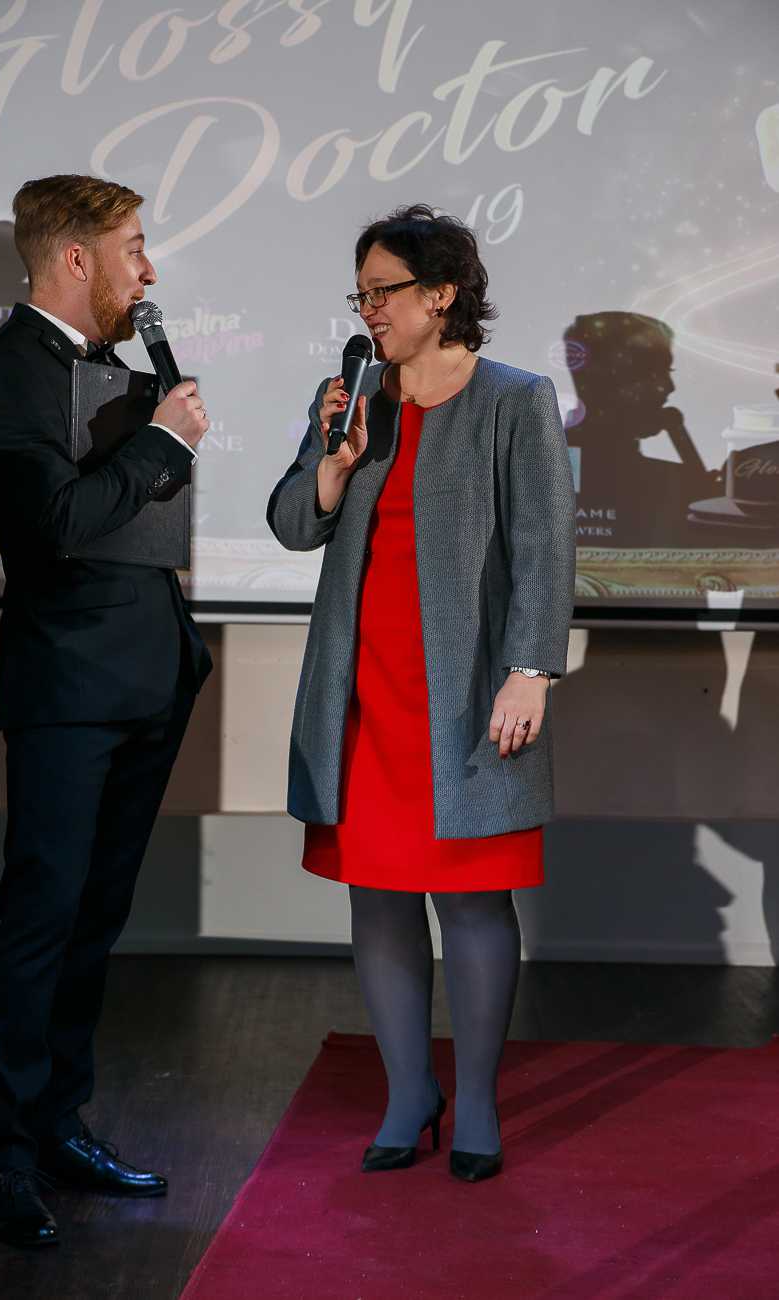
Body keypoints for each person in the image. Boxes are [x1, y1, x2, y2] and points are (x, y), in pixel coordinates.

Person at [268, 205, 575, 1183]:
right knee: (379, 896)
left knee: (474, 899)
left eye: (383, 291)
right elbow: (293, 524)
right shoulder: (351, 396)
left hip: (470, 692)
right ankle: (409, 1092)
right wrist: (334, 462)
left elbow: (543, 546)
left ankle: (475, 1099)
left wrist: (531, 668)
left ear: (440, 294)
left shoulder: (514, 398)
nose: (368, 310)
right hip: (362, 692)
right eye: (359, 294)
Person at [0, 174, 212, 1247]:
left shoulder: (118, 363)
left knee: (94, 923)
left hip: (150, 677)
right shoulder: (8, 369)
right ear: (76, 258)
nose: (147, 270)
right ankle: (2, 1161)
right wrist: (160, 443)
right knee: (41, 924)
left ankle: (59, 1124)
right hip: (67, 691)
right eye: (133, 248)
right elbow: (55, 524)